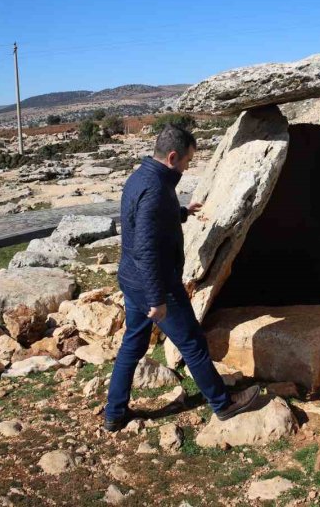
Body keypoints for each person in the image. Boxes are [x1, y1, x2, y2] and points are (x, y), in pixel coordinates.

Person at [103, 124, 260, 431]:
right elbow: (146, 247)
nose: (187, 168)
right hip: (156, 283)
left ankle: (114, 413)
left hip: (132, 280)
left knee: (132, 345)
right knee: (192, 344)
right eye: (187, 161)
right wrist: (157, 299)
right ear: (172, 157)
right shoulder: (156, 189)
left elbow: (145, 221)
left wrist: (183, 212)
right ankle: (223, 404)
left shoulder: (142, 177)